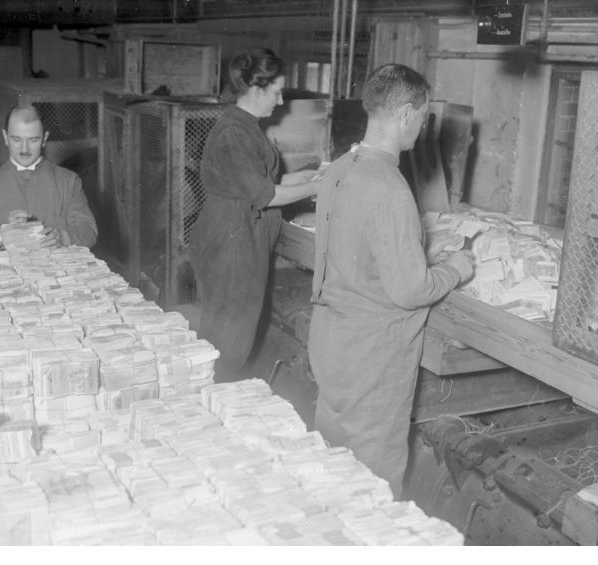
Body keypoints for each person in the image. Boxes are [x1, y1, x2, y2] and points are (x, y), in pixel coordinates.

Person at [307, 63, 474, 498]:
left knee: (331, 465)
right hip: (372, 359)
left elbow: (354, 248)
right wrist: (455, 269)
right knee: (371, 488)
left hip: (331, 343)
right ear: (404, 113)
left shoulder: (342, 168)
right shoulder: (391, 187)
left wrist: (417, 255)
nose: (421, 128)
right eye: (421, 118)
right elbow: (409, 292)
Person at [190, 48, 321, 381]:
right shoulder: (235, 132)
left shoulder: (246, 126)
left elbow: (266, 181)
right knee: (229, 342)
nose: (279, 102)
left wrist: (311, 176)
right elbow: (269, 194)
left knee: (233, 333)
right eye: (276, 93)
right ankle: (216, 400)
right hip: (233, 242)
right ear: (256, 89)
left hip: (240, 234)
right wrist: (317, 188)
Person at [0, 104, 97, 255]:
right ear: (5, 137)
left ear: (44, 139)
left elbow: (89, 231)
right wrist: (3, 235)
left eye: (33, 140)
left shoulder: (68, 181)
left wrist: (63, 237)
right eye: (16, 139)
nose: (24, 149)